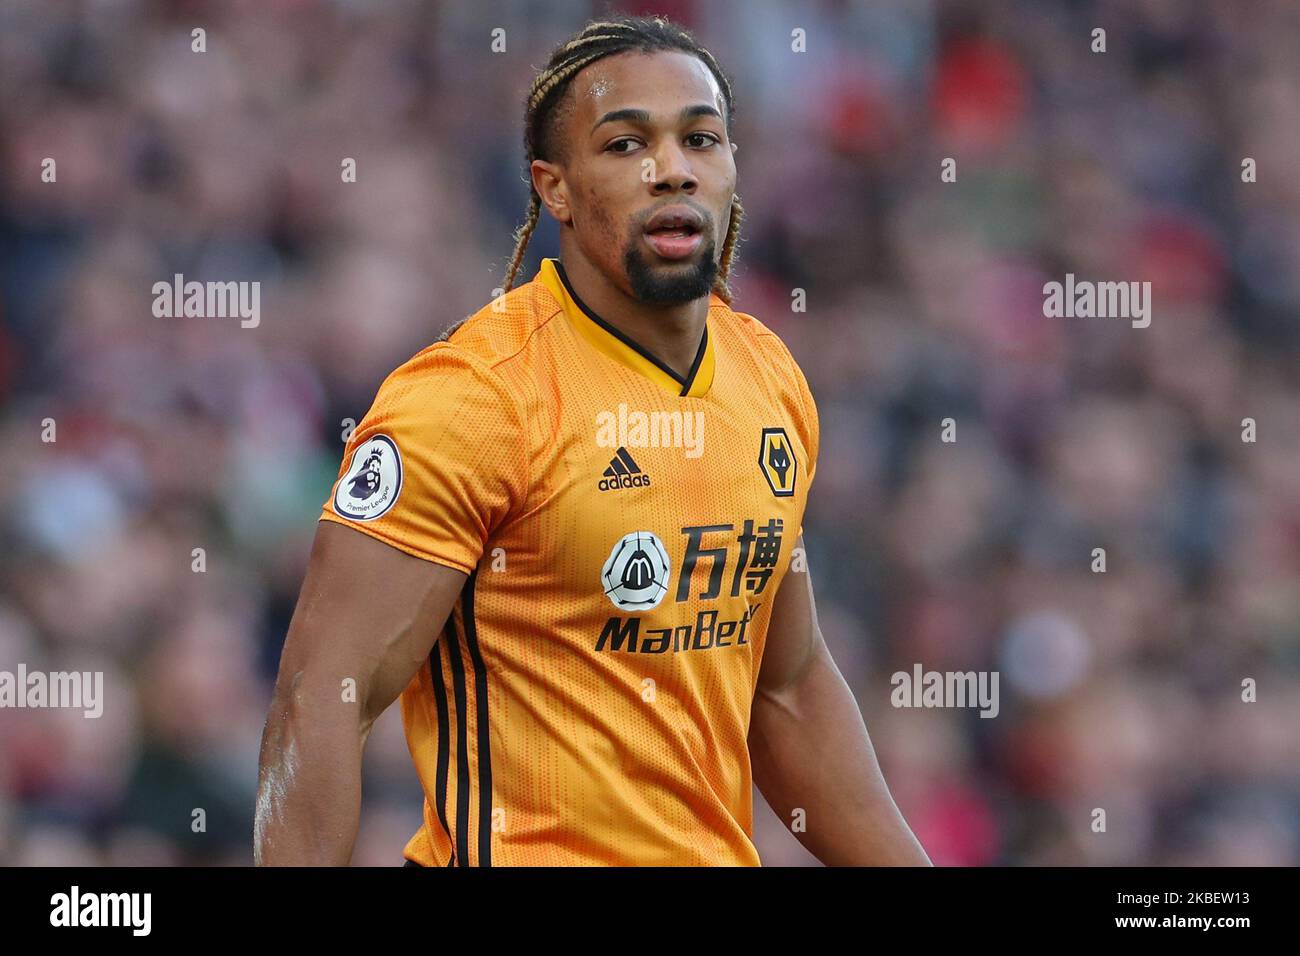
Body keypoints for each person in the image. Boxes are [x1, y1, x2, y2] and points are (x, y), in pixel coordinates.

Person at [255, 14, 930, 867]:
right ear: (554, 189)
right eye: (624, 145)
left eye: (701, 139)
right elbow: (323, 697)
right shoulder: (473, 399)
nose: (671, 170)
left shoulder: (768, 378)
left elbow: (786, 688)